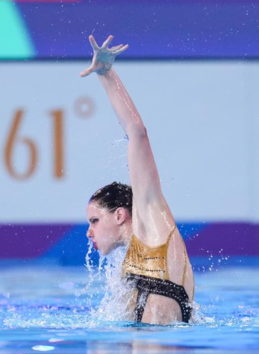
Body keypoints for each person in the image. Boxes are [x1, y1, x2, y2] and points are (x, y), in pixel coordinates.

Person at [81, 35, 195, 325]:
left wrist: (106, 74)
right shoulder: (131, 264)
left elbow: (138, 133)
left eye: (94, 220)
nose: (89, 232)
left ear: (120, 215)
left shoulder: (152, 227)